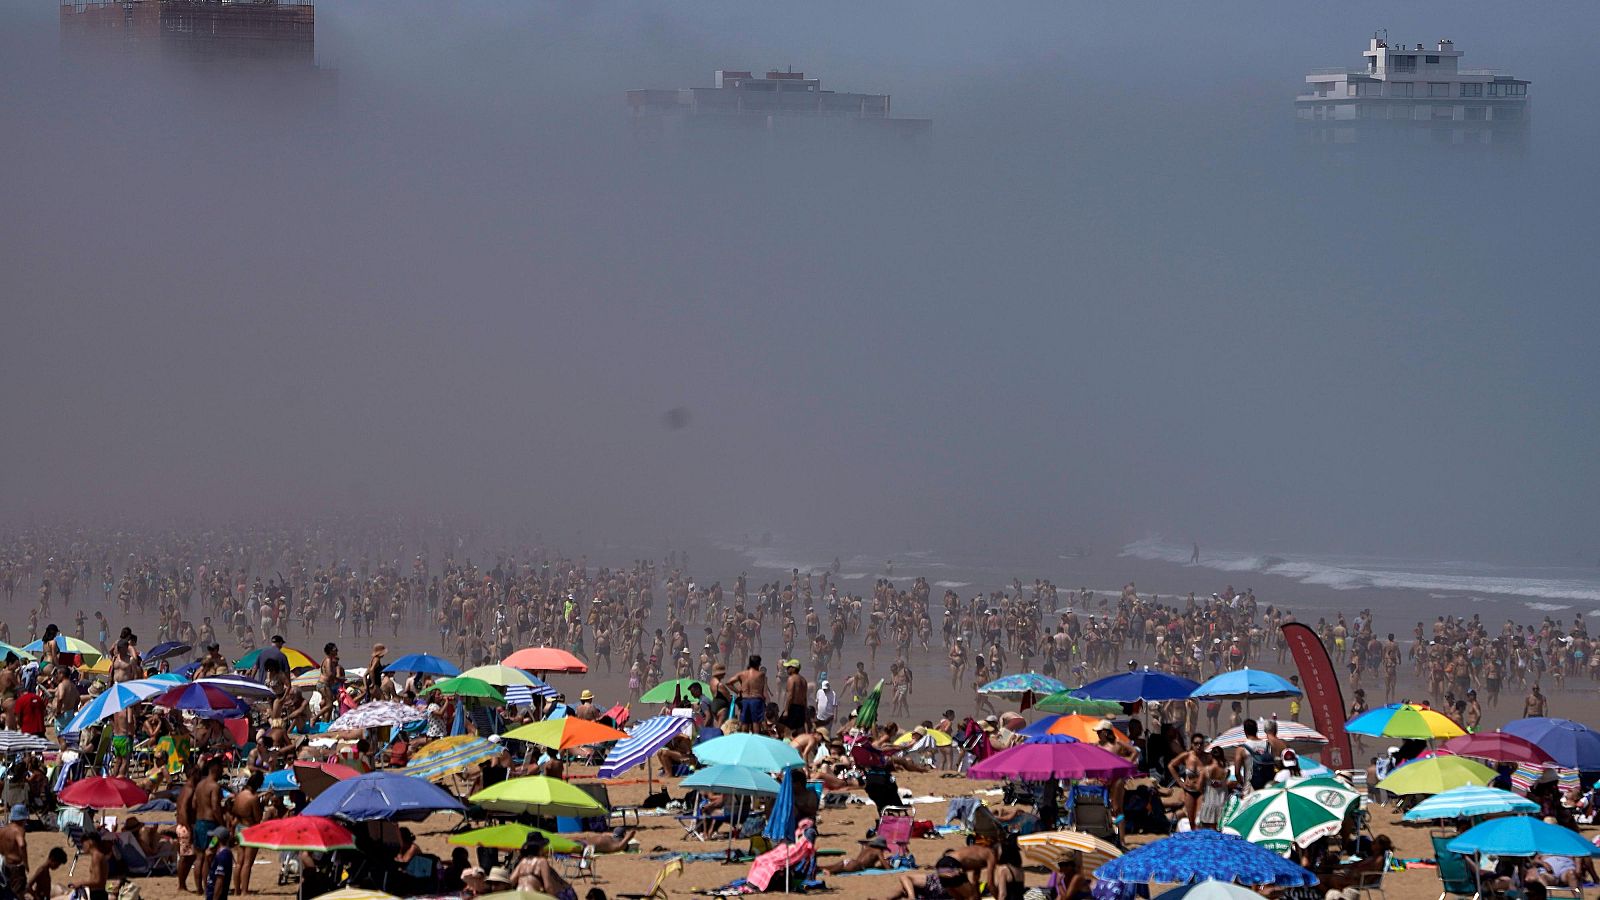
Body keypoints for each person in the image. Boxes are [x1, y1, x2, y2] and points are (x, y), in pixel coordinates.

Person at [878, 854, 978, 900]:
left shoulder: (932, 880)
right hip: (935, 891)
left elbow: (904, 877)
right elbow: (904, 878)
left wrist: (911, 896)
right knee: (902, 888)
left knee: (903, 887)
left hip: (936, 886)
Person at [728, 656, 768, 733]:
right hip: (756, 699)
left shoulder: (742, 674)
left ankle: (744, 739)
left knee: (745, 722)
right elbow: (762, 689)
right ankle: (755, 739)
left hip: (745, 699)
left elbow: (729, 683)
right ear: (758, 664)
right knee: (756, 722)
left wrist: (738, 692)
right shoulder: (761, 675)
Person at [821, 836, 891, 875]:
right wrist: (889, 865)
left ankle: (819, 868)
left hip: (852, 861)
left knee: (834, 866)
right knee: (838, 869)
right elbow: (886, 867)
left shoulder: (866, 847)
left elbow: (868, 861)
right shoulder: (878, 851)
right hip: (857, 866)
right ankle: (830, 872)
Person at [0, 804, 28, 897]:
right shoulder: (19, 830)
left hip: (5, 865)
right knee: (19, 893)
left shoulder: (3, 829)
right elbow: (22, 845)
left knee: (8, 892)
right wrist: (25, 862)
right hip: (16, 867)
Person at [780, 660, 808, 737]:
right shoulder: (803, 680)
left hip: (793, 707)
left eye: (788, 667)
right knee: (800, 729)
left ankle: (786, 744)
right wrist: (805, 710)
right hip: (801, 708)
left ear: (794, 668)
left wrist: (786, 710)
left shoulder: (791, 678)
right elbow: (805, 697)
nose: (787, 669)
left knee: (783, 727)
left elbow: (790, 695)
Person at [207, 830, 236, 900]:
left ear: (217, 839)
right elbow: (212, 871)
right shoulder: (219, 854)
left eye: (213, 838)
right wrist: (208, 857)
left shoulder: (223, 855)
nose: (211, 840)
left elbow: (220, 880)